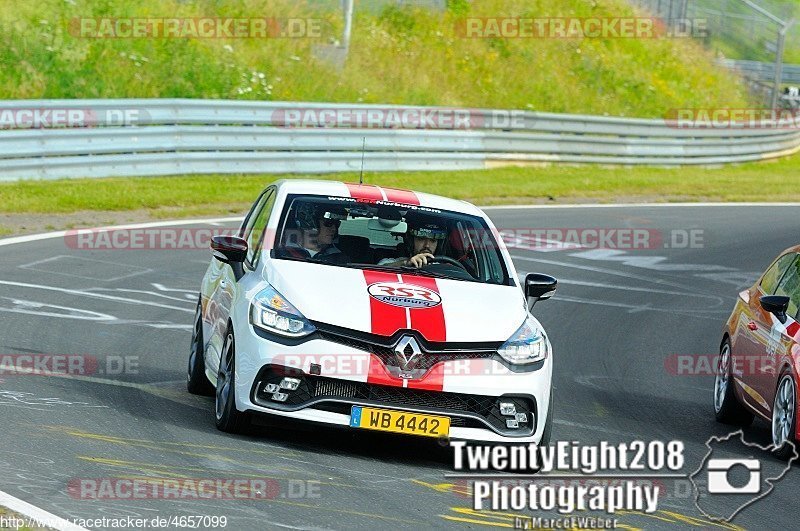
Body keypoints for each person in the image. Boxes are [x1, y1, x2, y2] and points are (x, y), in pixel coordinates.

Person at [276, 204, 350, 264]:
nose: (334, 229)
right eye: (328, 223)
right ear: (309, 223)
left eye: (337, 224)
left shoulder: (339, 258)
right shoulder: (280, 251)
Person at [379, 213, 448, 268]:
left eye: (433, 240)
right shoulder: (396, 262)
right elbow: (379, 270)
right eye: (421, 239)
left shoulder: (443, 268)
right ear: (411, 241)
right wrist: (406, 263)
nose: (427, 245)